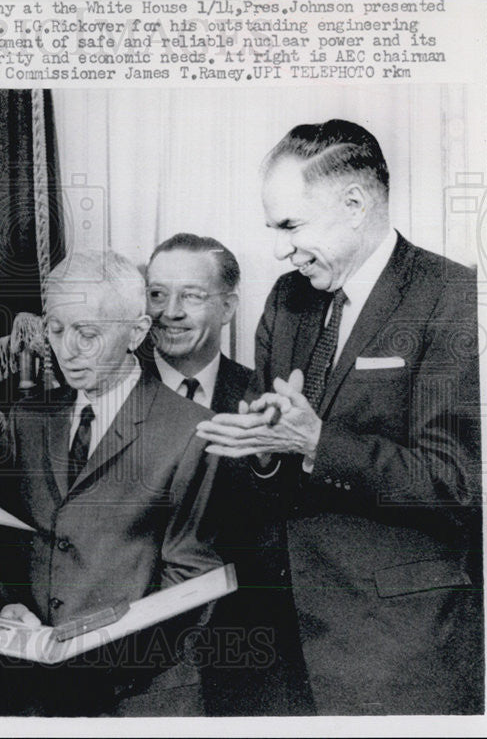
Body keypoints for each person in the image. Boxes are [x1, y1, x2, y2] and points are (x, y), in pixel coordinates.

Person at [197, 119, 483, 715]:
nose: (280, 248)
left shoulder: (454, 297)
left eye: (292, 226)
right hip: (276, 640)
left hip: (396, 648)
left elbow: (455, 483)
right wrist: (268, 450)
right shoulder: (287, 298)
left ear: (355, 204)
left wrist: (317, 442)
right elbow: (267, 467)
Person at [0, 249, 223, 716]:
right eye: (56, 330)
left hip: (135, 699)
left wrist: (97, 672)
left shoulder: (192, 431)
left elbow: (191, 583)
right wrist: (4, 609)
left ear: (137, 332)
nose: (66, 350)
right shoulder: (27, 418)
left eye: (87, 334)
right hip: (30, 695)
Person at [139, 233, 312, 715]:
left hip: (244, 663)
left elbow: (285, 532)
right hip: (137, 664)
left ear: (229, 306)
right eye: (156, 294)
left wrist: (266, 457)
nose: (169, 311)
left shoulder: (264, 398)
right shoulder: (111, 391)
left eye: (191, 296)